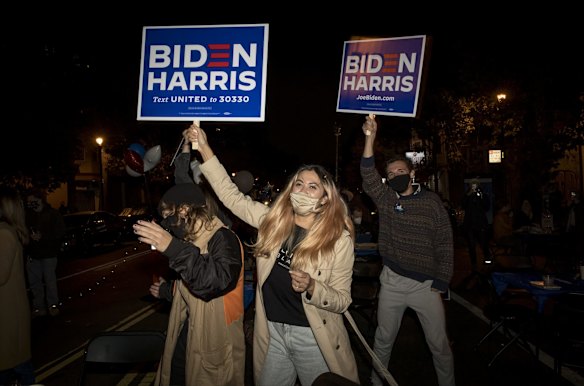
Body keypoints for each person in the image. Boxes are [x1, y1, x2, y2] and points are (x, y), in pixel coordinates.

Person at [188, 124, 360, 386]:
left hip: (313, 337)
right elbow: (231, 196)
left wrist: (313, 286)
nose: (302, 191)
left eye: (312, 187)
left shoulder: (338, 240)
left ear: (325, 199)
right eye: (299, 184)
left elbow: (342, 300)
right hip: (272, 332)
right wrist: (204, 148)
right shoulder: (273, 221)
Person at [359, 115, 455, 386]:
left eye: (401, 171)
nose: (395, 176)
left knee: (439, 344)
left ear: (412, 173)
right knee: (383, 339)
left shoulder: (431, 202)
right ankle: (377, 382)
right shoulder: (387, 198)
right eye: (390, 174)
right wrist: (370, 137)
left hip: (425, 285)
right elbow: (368, 173)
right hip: (392, 282)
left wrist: (442, 279)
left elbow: (445, 241)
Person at [133, 161, 246, 384]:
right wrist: (168, 290)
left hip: (216, 342)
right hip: (190, 332)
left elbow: (213, 283)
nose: (167, 223)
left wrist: (173, 248)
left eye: (168, 214)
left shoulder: (223, 238)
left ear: (184, 209)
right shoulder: (191, 239)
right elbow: (190, 283)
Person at [0, 186, 37, 385]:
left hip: (7, 315)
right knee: (18, 365)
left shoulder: (4, 234)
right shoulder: (7, 232)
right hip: (9, 313)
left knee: (16, 365)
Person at [25, 189, 66, 317]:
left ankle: (52, 305)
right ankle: (39, 307)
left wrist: (43, 237)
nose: (30, 204)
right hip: (33, 254)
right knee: (34, 283)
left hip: (48, 254)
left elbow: (60, 233)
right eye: (28, 202)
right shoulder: (28, 216)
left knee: (50, 282)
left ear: (40, 200)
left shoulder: (53, 214)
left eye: (32, 201)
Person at [461, 178, 492, 268]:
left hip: (480, 224)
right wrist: (468, 195)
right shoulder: (467, 195)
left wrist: (480, 196)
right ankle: (474, 264)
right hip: (470, 225)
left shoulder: (482, 194)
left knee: (483, 243)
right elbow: (463, 205)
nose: (474, 186)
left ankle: (488, 260)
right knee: (471, 245)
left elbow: (486, 207)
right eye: (472, 184)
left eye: (475, 184)